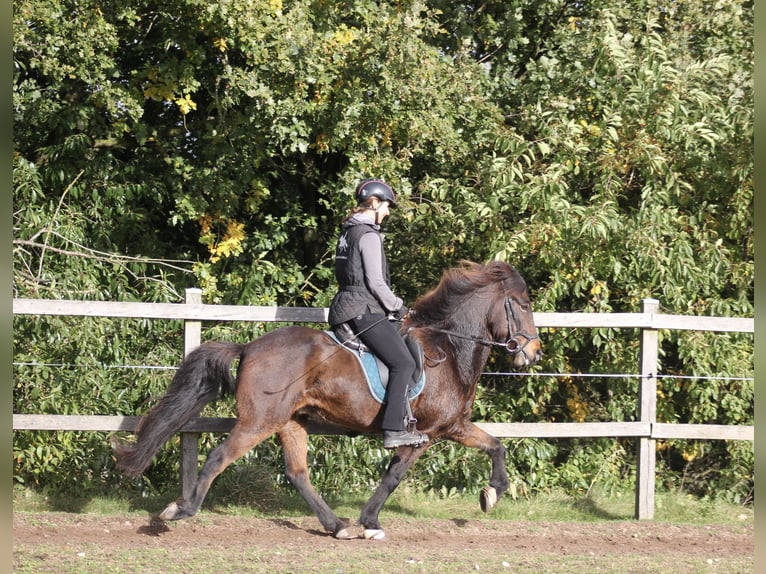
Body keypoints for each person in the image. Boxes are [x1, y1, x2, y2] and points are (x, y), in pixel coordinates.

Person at [328, 178, 430, 449]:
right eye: (386, 206)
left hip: (343, 306)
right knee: (404, 363)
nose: (387, 212)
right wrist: (398, 306)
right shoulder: (369, 235)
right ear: (374, 203)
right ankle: (394, 429)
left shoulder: (348, 232)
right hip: (363, 309)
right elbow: (375, 282)